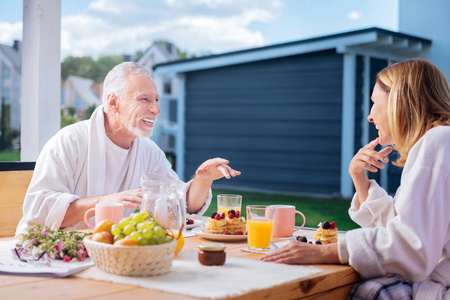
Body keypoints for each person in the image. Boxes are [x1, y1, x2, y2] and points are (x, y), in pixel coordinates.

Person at [261, 59, 450, 299]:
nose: (370, 117)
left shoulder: (438, 141)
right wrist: (359, 177)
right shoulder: (440, 141)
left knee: (368, 290)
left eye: (374, 103)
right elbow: (404, 228)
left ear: (398, 102)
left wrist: (324, 252)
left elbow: (412, 248)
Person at [16, 62, 241, 237]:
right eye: (144, 99)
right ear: (113, 102)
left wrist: (202, 180)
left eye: (156, 100)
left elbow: (179, 204)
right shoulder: (69, 141)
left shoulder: (149, 151)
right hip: (47, 254)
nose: (156, 110)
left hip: (113, 253)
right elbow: (40, 211)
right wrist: (108, 201)